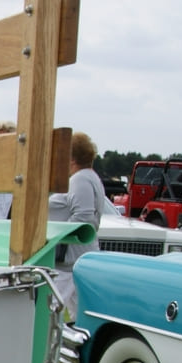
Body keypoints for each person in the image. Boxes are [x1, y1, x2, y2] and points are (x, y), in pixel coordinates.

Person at [48, 131, 107, 318]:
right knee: (80, 314)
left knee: (49, 311)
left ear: (71, 159)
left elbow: (84, 219)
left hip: (68, 261)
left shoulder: (80, 179)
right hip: (77, 259)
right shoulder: (90, 177)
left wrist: (57, 240)